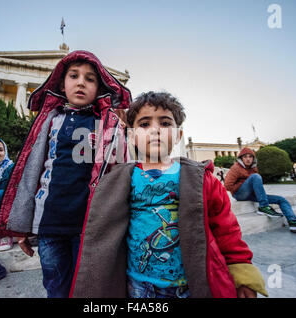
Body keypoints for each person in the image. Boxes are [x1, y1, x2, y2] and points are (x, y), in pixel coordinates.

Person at [70, 91, 268, 298]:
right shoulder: (118, 180)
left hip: (189, 285)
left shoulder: (201, 179)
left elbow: (226, 229)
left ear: (178, 135)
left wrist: (241, 271)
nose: (155, 130)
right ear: (131, 136)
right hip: (137, 286)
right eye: (144, 124)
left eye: (165, 123)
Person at [0, 50, 132, 298]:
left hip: (88, 225)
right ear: (62, 83)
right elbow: (29, 174)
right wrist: (22, 225)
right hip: (49, 224)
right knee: (55, 284)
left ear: (99, 88)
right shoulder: (50, 121)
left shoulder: (106, 124)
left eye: (90, 79)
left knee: (86, 287)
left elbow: (119, 173)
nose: (81, 82)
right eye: (74, 76)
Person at [224, 148, 296, 233]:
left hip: (252, 194)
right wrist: (245, 185)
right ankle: (264, 207)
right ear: (241, 158)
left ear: (253, 158)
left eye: (250, 157)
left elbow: (256, 185)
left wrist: (258, 193)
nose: (248, 159)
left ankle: (293, 222)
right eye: (245, 157)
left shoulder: (254, 168)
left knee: (281, 199)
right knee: (255, 177)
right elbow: (227, 185)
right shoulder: (236, 168)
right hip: (239, 194)